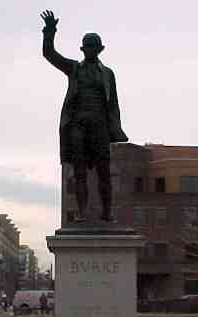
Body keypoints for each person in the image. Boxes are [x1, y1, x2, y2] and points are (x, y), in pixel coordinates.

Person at [41, 10, 128, 222]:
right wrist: (50, 32)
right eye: (86, 46)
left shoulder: (107, 74)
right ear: (82, 49)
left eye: (93, 46)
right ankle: (81, 213)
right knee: (79, 171)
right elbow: (49, 54)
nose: (89, 49)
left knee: (104, 172)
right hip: (78, 127)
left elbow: (113, 103)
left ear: (99, 49)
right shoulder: (74, 68)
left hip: (100, 126)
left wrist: (115, 129)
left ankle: (106, 213)